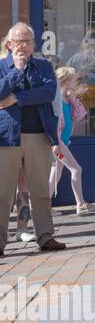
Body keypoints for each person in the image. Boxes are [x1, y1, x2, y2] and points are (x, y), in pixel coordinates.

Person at [0, 23, 66, 254]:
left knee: (39, 190)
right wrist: (16, 71)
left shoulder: (43, 66)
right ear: (9, 44)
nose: (24, 46)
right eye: (19, 41)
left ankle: (45, 236)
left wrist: (16, 98)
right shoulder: (1, 66)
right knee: (3, 192)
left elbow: (47, 92)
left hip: (38, 135)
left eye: (28, 41)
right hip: (7, 138)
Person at [48, 67, 95, 215]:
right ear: (67, 82)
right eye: (75, 80)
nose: (77, 83)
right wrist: (55, 143)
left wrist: (73, 98)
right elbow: (52, 122)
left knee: (57, 173)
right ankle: (80, 204)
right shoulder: (55, 99)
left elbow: (81, 115)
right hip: (58, 143)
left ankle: (42, 206)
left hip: (63, 142)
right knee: (76, 169)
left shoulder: (67, 98)